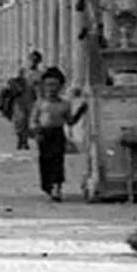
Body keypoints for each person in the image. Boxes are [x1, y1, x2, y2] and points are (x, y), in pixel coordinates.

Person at [29, 66, 88, 200]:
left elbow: (70, 121)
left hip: (57, 134)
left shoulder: (65, 104)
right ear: (44, 86)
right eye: (49, 85)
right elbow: (33, 120)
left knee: (57, 161)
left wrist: (80, 111)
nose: (52, 88)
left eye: (55, 85)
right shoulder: (40, 104)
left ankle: (57, 187)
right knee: (45, 161)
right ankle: (48, 186)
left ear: (61, 87)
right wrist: (35, 131)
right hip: (44, 135)